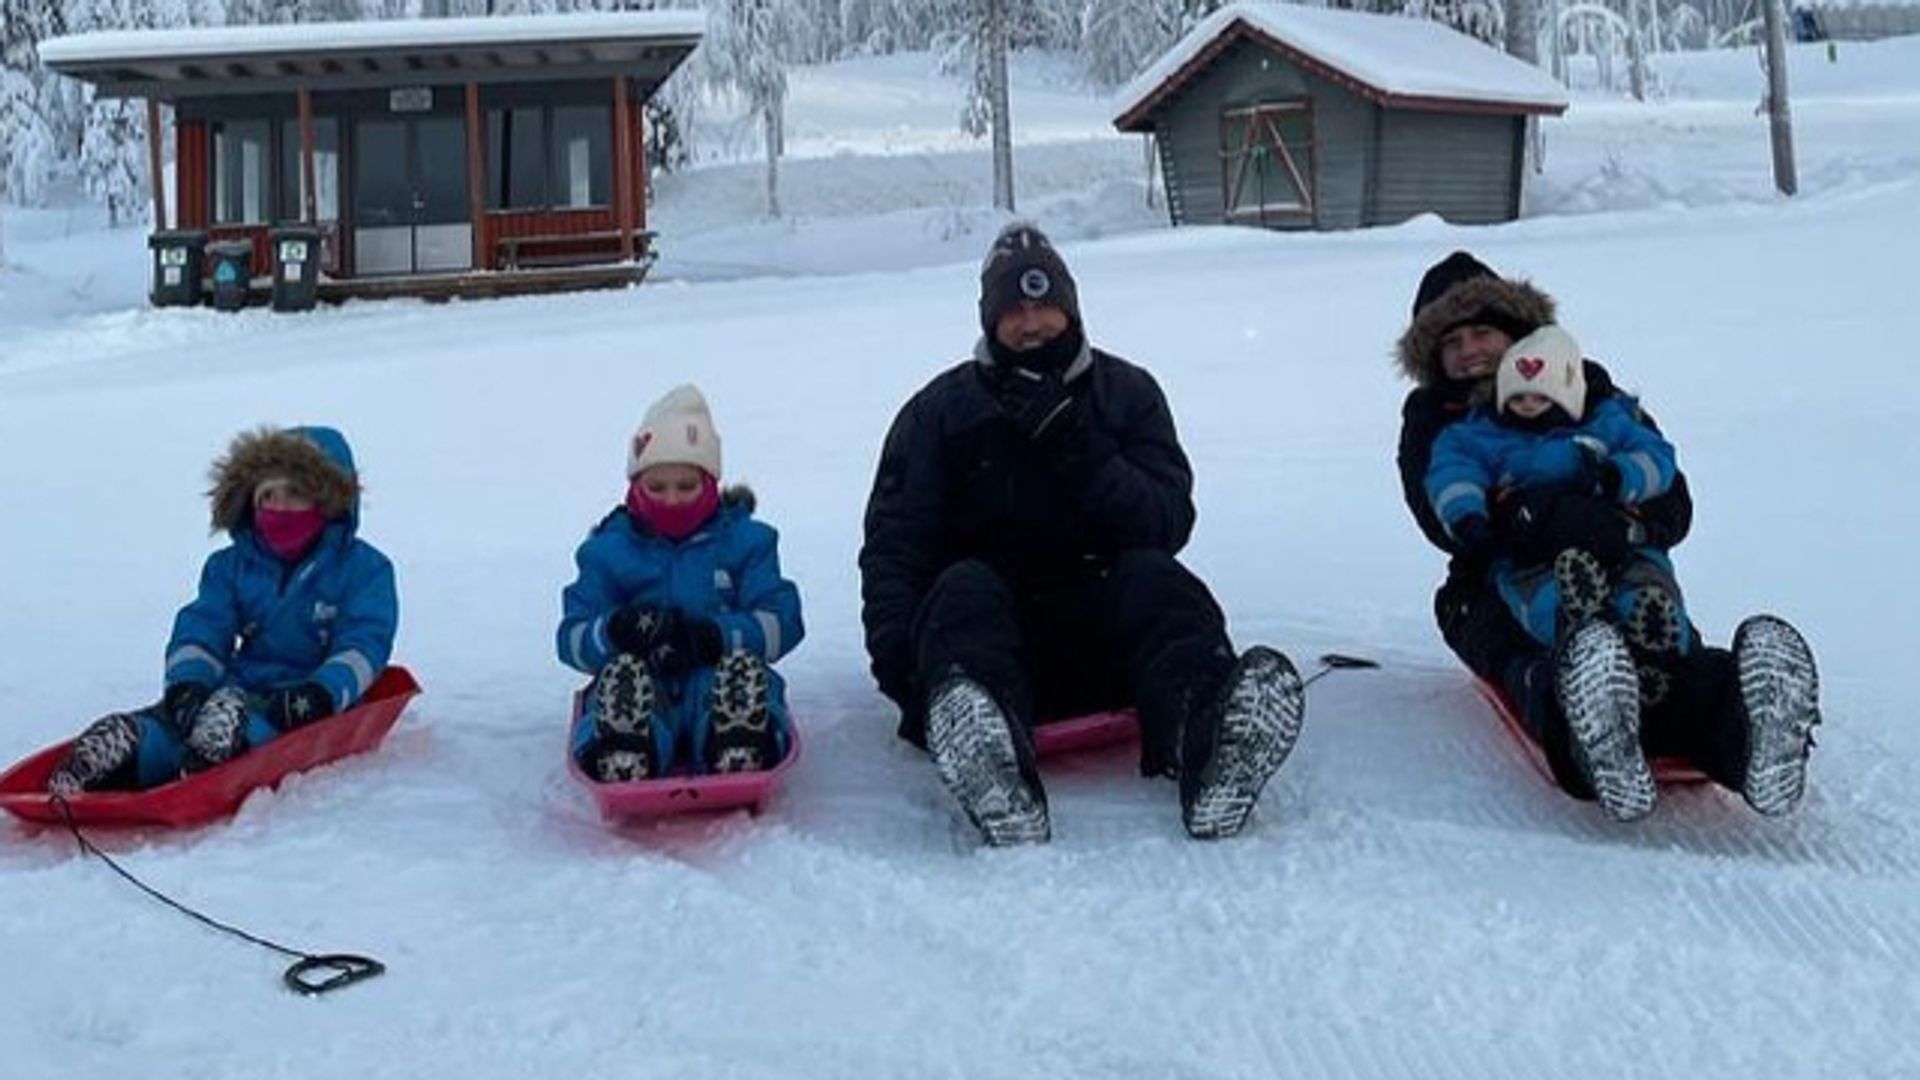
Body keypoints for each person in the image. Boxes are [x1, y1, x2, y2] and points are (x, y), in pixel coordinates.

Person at [859, 221, 1305, 845]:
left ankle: (1206, 745)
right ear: (990, 318)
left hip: (1105, 638)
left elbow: (1166, 522)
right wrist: (909, 676)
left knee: (1158, 580)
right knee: (962, 585)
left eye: (1045, 306)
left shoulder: (1127, 395)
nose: (1032, 323)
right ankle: (991, 764)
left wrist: (1081, 448)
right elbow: (894, 548)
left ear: (1071, 308)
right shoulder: (937, 413)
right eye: (1015, 309)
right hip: (986, 649)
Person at [1394, 251, 1820, 821]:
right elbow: (1441, 513)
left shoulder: (1584, 389)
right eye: (1452, 342)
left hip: (1618, 552)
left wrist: (1620, 517)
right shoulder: (1440, 422)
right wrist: (1516, 520)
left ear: (1517, 335)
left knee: (1662, 641)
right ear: (1432, 358)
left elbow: (1671, 497)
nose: (1470, 349)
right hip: (1500, 576)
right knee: (1536, 647)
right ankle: (1586, 728)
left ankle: (1745, 734)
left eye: (1482, 332)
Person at [49, 426, 399, 794]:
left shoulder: (364, 569)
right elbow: (204, 627)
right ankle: (127, 749)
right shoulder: (230, 566)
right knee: (185, 719)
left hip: (306, 699)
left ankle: (213, 758)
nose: (279, 507)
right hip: (236, 687)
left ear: (326, 501)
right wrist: (189, 682)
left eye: (295, 493)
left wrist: (323, 692)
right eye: (267, 496)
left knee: (256, 724)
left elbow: (364, 644)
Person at [559, 384, 803, 782]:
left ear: (710, 485)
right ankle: (627, 747)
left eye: (686, 486)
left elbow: (783, 622)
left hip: (718, 678)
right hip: (643, 683)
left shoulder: (746, 542)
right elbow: (571, 638)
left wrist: (715, 636)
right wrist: (616, 630)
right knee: (622, 685)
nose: (671, 500)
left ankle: (738, 739)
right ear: (634, 488)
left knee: (739, 679)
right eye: (656, 487)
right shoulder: (607, 552)